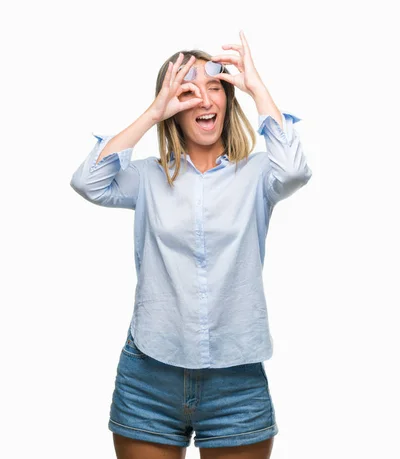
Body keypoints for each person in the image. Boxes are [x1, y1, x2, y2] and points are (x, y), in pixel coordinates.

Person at [70, 31, 311, 459]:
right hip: (149, 375)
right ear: (174, 110)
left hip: (236, 381)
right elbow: (87, 182)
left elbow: (293, 170)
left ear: (228, 100)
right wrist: (152, 112)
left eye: (215, 87)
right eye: (187, 91)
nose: (203, 99)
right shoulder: (147, 177)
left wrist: (257, 87)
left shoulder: (257, 176)